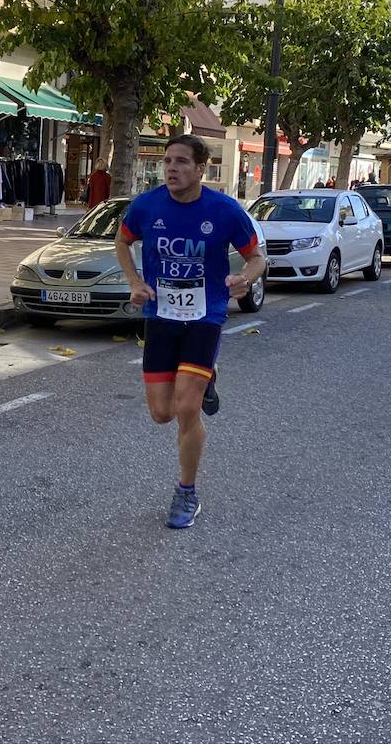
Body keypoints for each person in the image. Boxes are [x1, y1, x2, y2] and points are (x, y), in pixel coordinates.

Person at [116, 134, 266, 530]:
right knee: (162, 413)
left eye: (182, 162)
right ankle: (207, 376)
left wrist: (245, 279)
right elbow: (123, 240)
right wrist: (134, 281)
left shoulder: (224, 210)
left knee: (187, 408)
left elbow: (257, 257)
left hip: (205, 317)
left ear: (201, 169)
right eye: (168, 161)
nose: (171, 168)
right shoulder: (147, 206)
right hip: (161, 316)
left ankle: (187, 492)